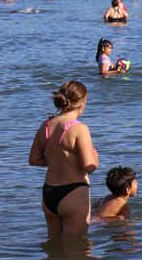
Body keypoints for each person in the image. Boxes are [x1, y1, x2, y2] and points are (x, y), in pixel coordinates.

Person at [28, 81, 98, 237]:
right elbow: (90, 166)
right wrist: (95, 156)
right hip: (73, 191)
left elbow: (34, 159)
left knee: (54, 245)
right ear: (82, 102)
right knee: (77, 248)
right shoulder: (79, 128)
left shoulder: (46, 125)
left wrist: (56, 159)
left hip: (49, 192)